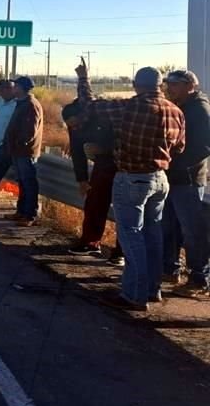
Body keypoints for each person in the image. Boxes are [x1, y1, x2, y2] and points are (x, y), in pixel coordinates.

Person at [83, 64, 185, 311]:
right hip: (160, 179)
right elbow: (180, 147)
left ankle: (133, 295)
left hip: (132, 178)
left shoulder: (128, 107)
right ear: (160, 85)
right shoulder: (175, 111)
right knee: (153, 235)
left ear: (135, 85)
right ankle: (152, 290)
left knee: (131, 237)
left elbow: (90, 105)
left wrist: (83, 79)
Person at [64, 71, 124, 266]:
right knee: (94, 204)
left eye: (77, 123)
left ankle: (121, 252)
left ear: (84, 116)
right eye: (71, 126)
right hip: (102, 166)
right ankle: (90, 242)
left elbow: (124, 138)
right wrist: (82, 179)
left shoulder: (103, 115)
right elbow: (77, 152)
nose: (75, 128)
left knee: (124, 210)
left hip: (123, 165)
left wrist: (105, 148)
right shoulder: (74, 127)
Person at [162, 70, 210, 299]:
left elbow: (204, 146)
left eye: (174, 84)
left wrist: (178, 163)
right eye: (168, 83)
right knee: (169, 227)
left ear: (189, 85)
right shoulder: (180, 105)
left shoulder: (199, 109)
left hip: (188, 180)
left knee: (193, 231)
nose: (169, 88)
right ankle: (170, 270)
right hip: (172, 177)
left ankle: (199, 277)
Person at [3, 76, 44, 226]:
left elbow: (29, 131)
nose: (13, 88)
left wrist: (18, 142)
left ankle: (30, 214)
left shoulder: (30, 105)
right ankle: (21, 212)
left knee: (29, 183)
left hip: (25, 151)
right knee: (22, 182)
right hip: (18, 151)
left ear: (21, 88)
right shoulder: (21, 104)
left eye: (15, 86)